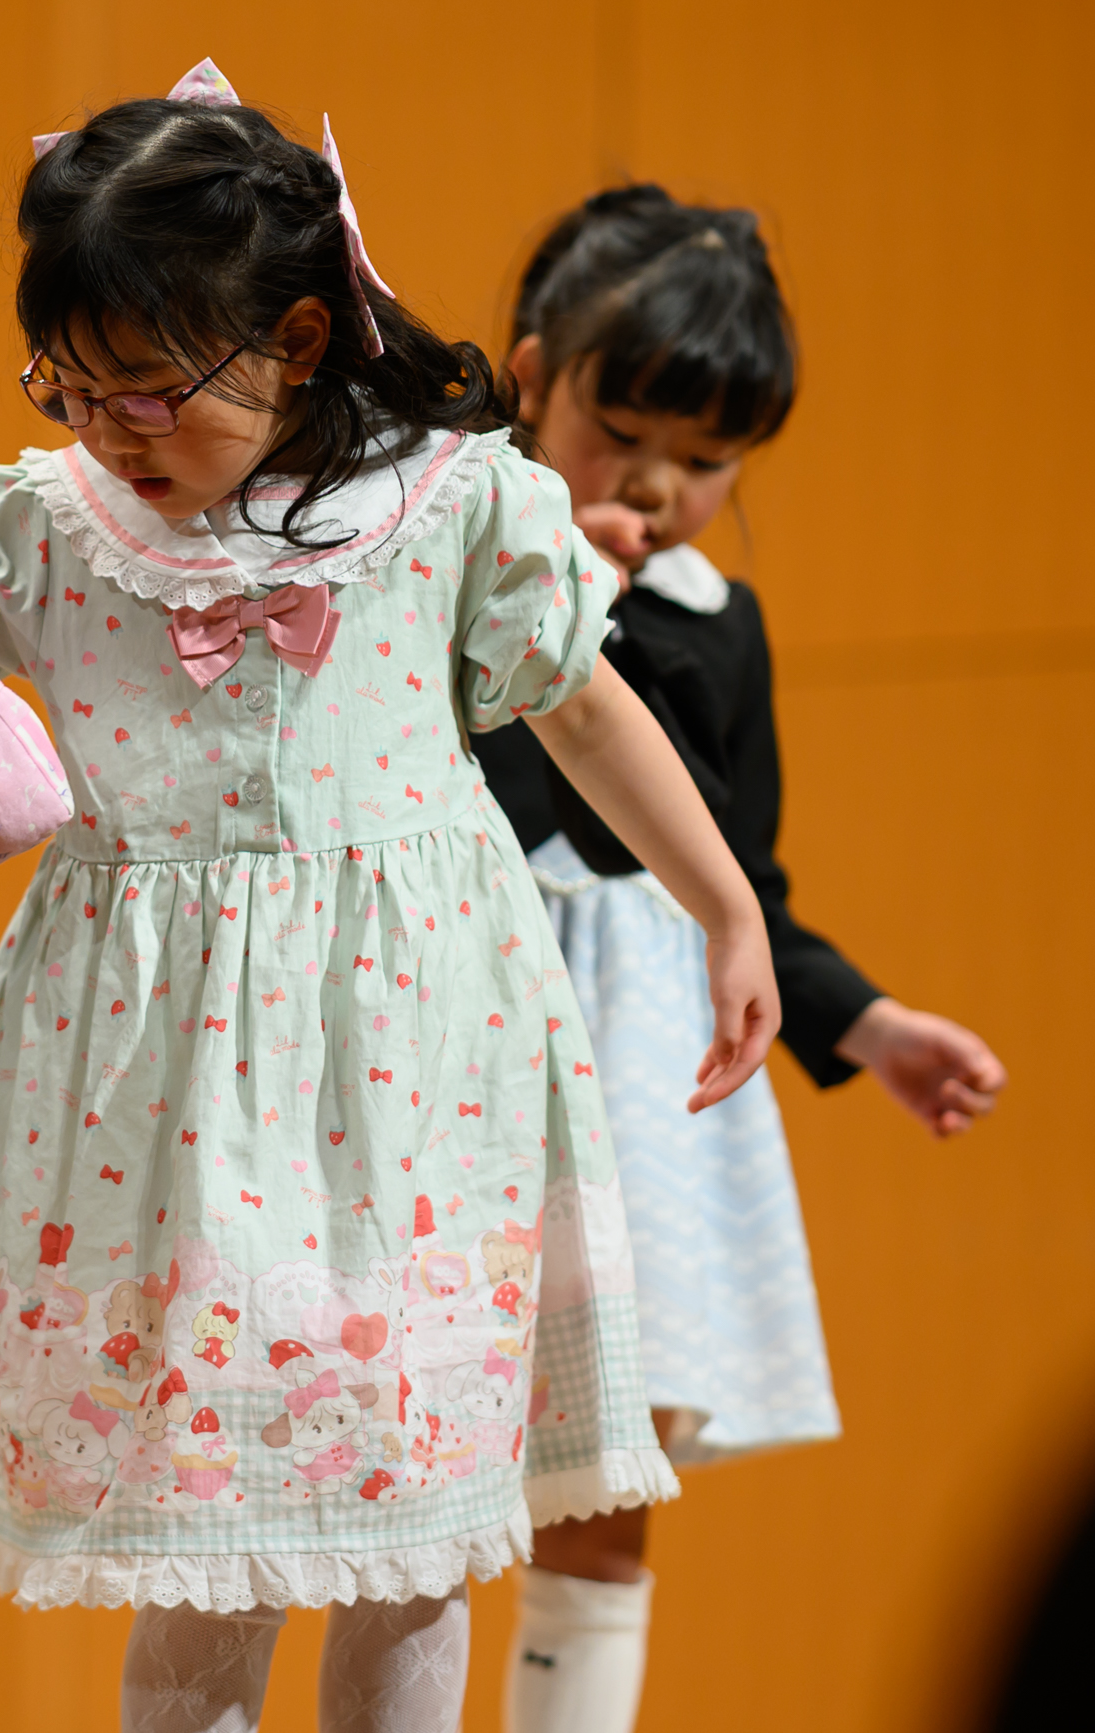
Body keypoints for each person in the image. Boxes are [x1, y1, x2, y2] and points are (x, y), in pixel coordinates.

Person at [0, 61, 778, 1732]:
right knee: (201, 1539)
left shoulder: (453, 502)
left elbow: (588, 710)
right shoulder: (60, 520)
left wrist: (727, 909)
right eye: (70, 388)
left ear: (299, 338)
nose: (108, 429)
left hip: (414, 1086)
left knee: (414, 1530)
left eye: (148, 390)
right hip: (164, 1108)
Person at [467, 186, 1007, 1733]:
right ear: (529, 379)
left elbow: (739, 892)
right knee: (393, 1457)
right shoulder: (444, 559)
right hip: (461, 1038)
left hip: (640, 1095)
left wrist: (872, 1024)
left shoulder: (722, 624)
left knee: (600, 1491)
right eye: (623, 433)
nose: (660, 484)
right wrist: (562, 592)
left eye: (707, 460)